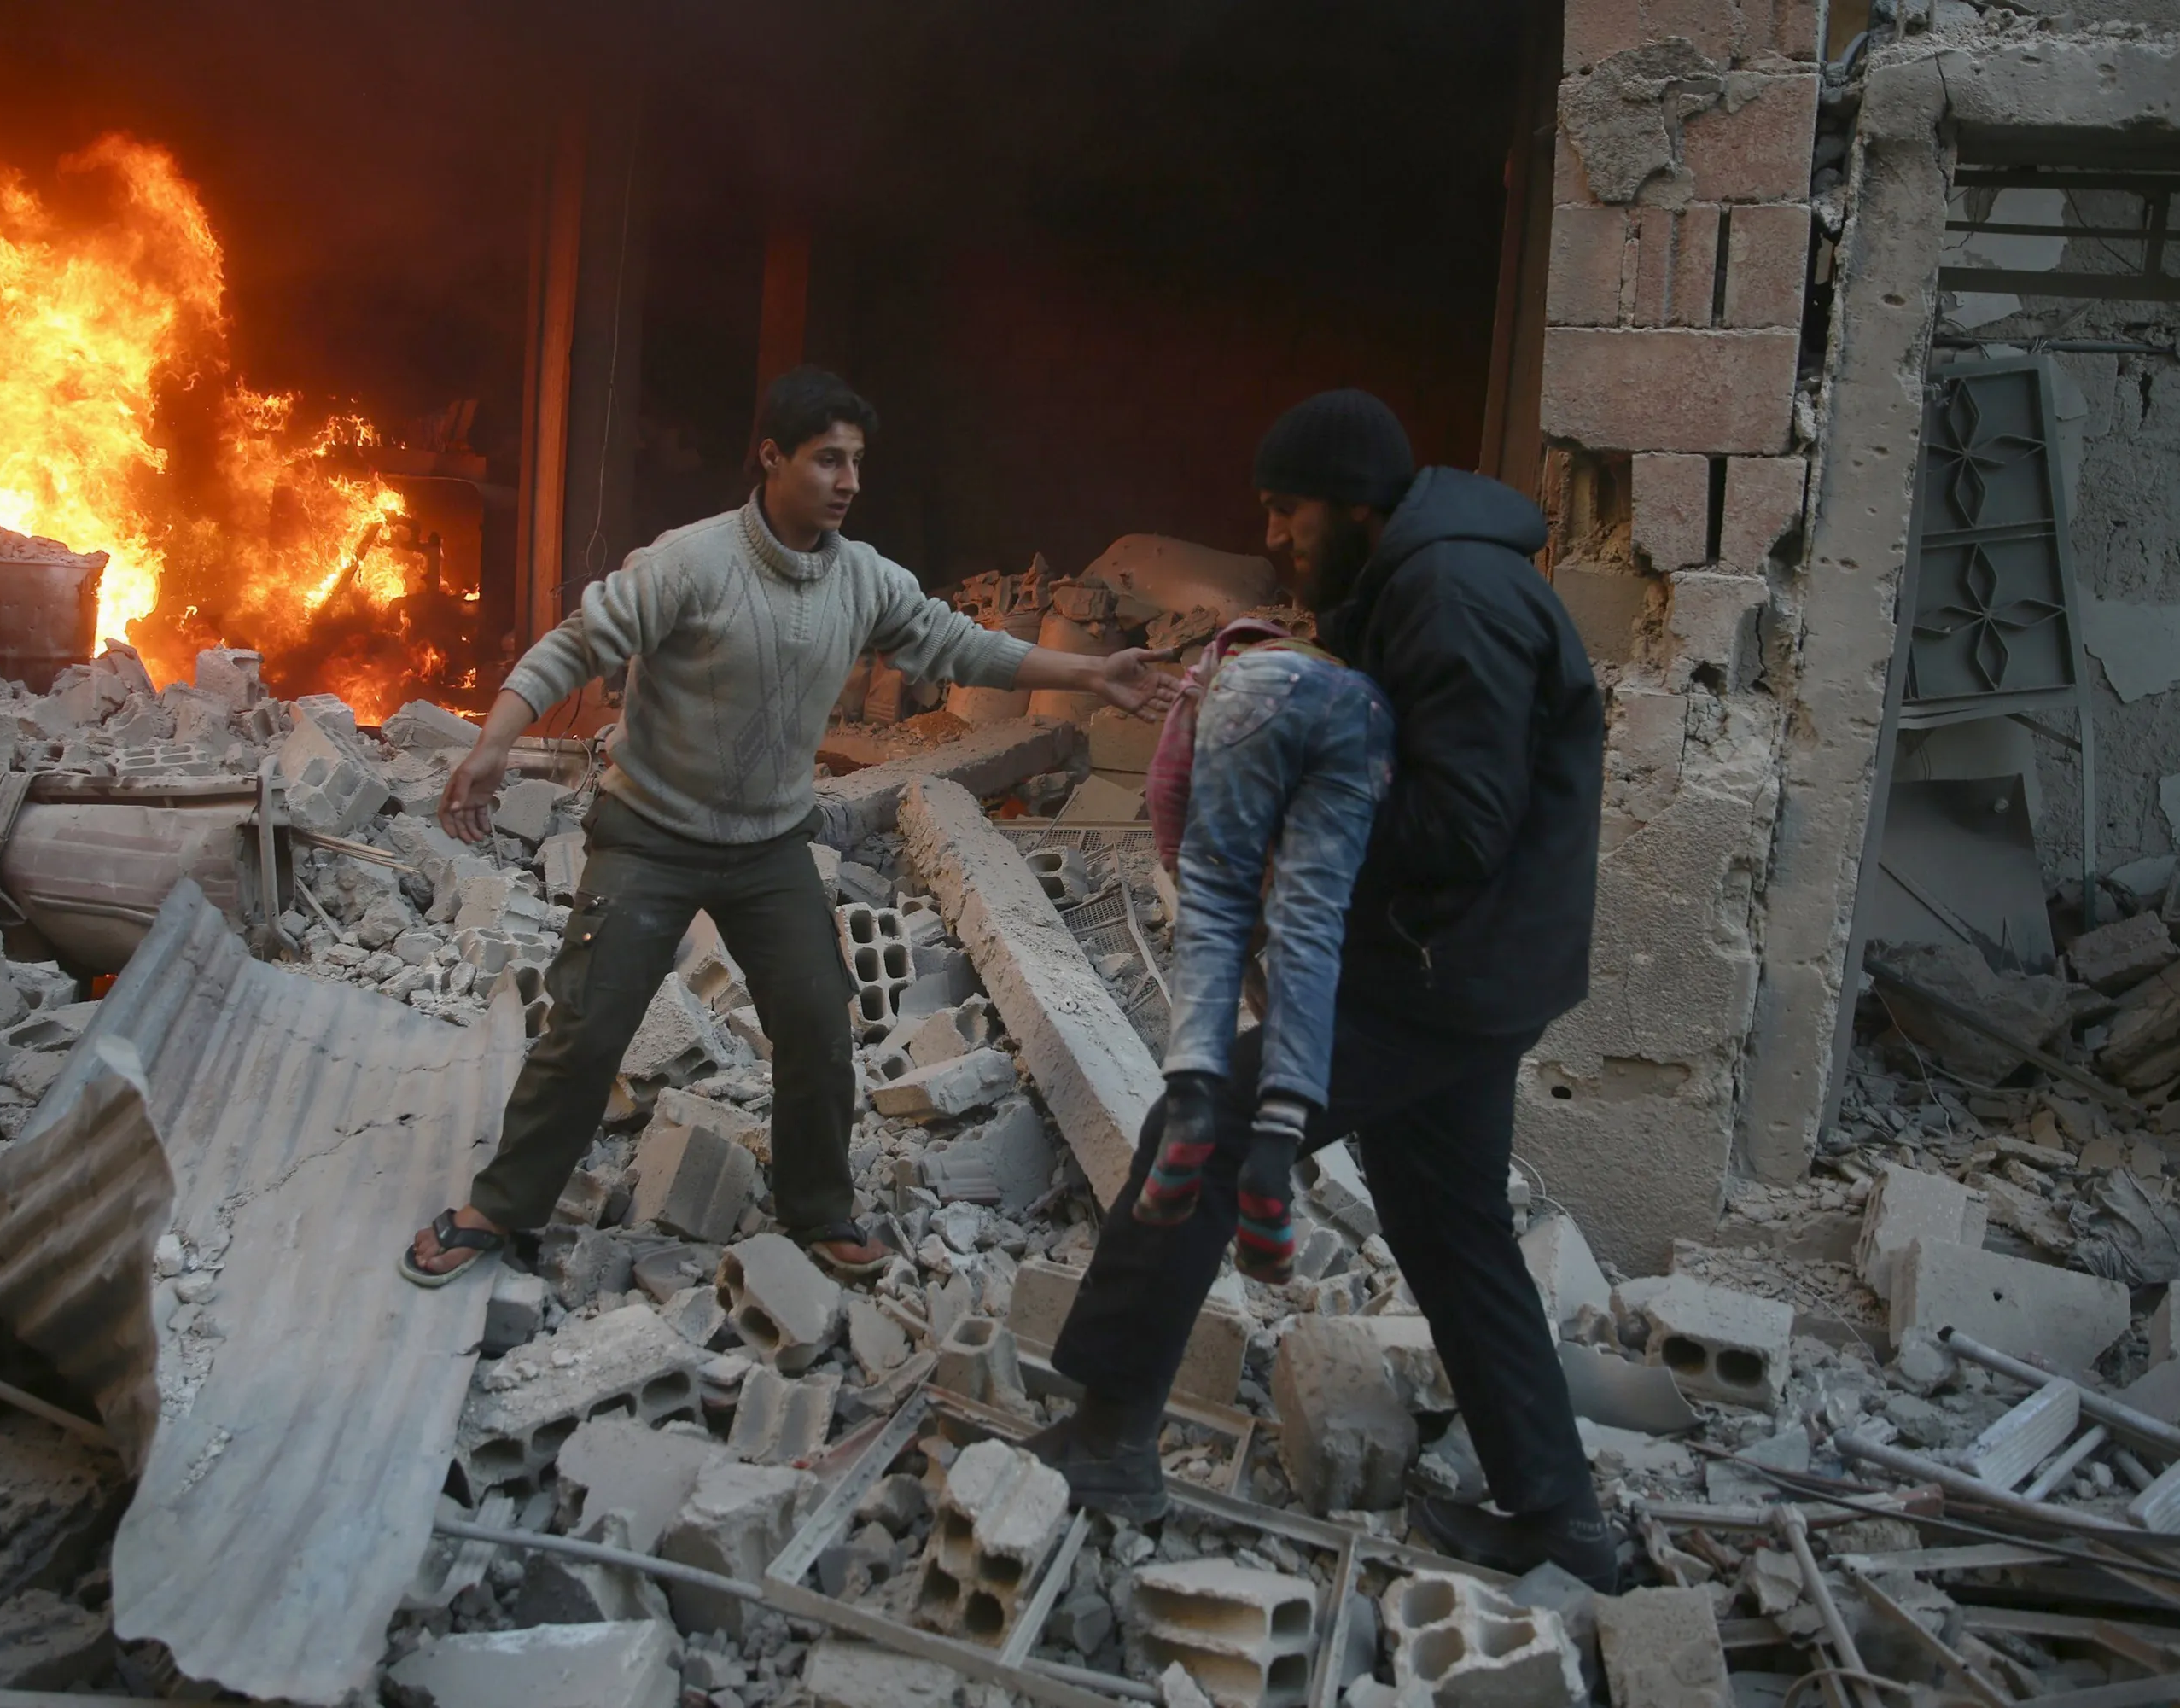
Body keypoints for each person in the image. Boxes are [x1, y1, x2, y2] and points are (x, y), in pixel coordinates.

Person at [402, 367, 1180, 1286]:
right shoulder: (691, 562)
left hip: (768, 846)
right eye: (827, 460)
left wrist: (1092, 674)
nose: (849, 482)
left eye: (857, 462)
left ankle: (817, 1210)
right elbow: (577, 643)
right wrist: (494, 742)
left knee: (816, 1024)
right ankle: (498, 1208)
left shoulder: (863, 580)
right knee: (590, 1023)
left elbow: (960, 644)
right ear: (771, 457)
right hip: (650, 833)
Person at [1030, 389, 1616, 1591]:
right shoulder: (1421, 579)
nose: (1275, 537)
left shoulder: (1452, 595)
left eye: (1287, 511)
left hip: (1444, 970)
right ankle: (1561, 1519)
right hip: (1471, 963)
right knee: (1451, 1222)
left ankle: (1108, 1439)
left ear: (1355, 505)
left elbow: (1461, 826)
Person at [1131, 615, 1393, 1286]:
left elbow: (1166, 783)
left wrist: (1183, 867)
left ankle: (1188, 1120)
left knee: (1214, 928)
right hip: (1354, 725)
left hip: (1248, 714)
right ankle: (1273, 1158)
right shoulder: (1342, 676)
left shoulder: (1216, 676)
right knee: (1310, 938)